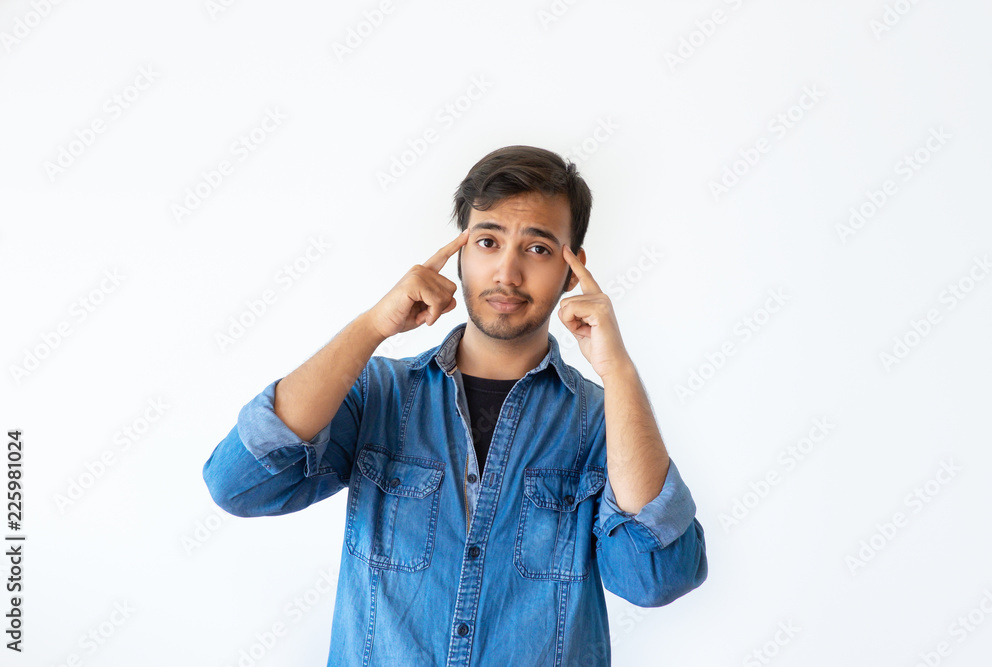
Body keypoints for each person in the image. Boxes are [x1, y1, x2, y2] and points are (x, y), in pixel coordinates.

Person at [202, 145, 708, 666]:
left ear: (572, 271)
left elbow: (656, 579)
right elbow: (240, 484)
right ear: (461, 255)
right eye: (487, 241)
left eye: (537, 249)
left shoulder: (605, 420)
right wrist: (374, 326)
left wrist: (617, 369)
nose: (507, 273)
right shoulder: (379, 394)